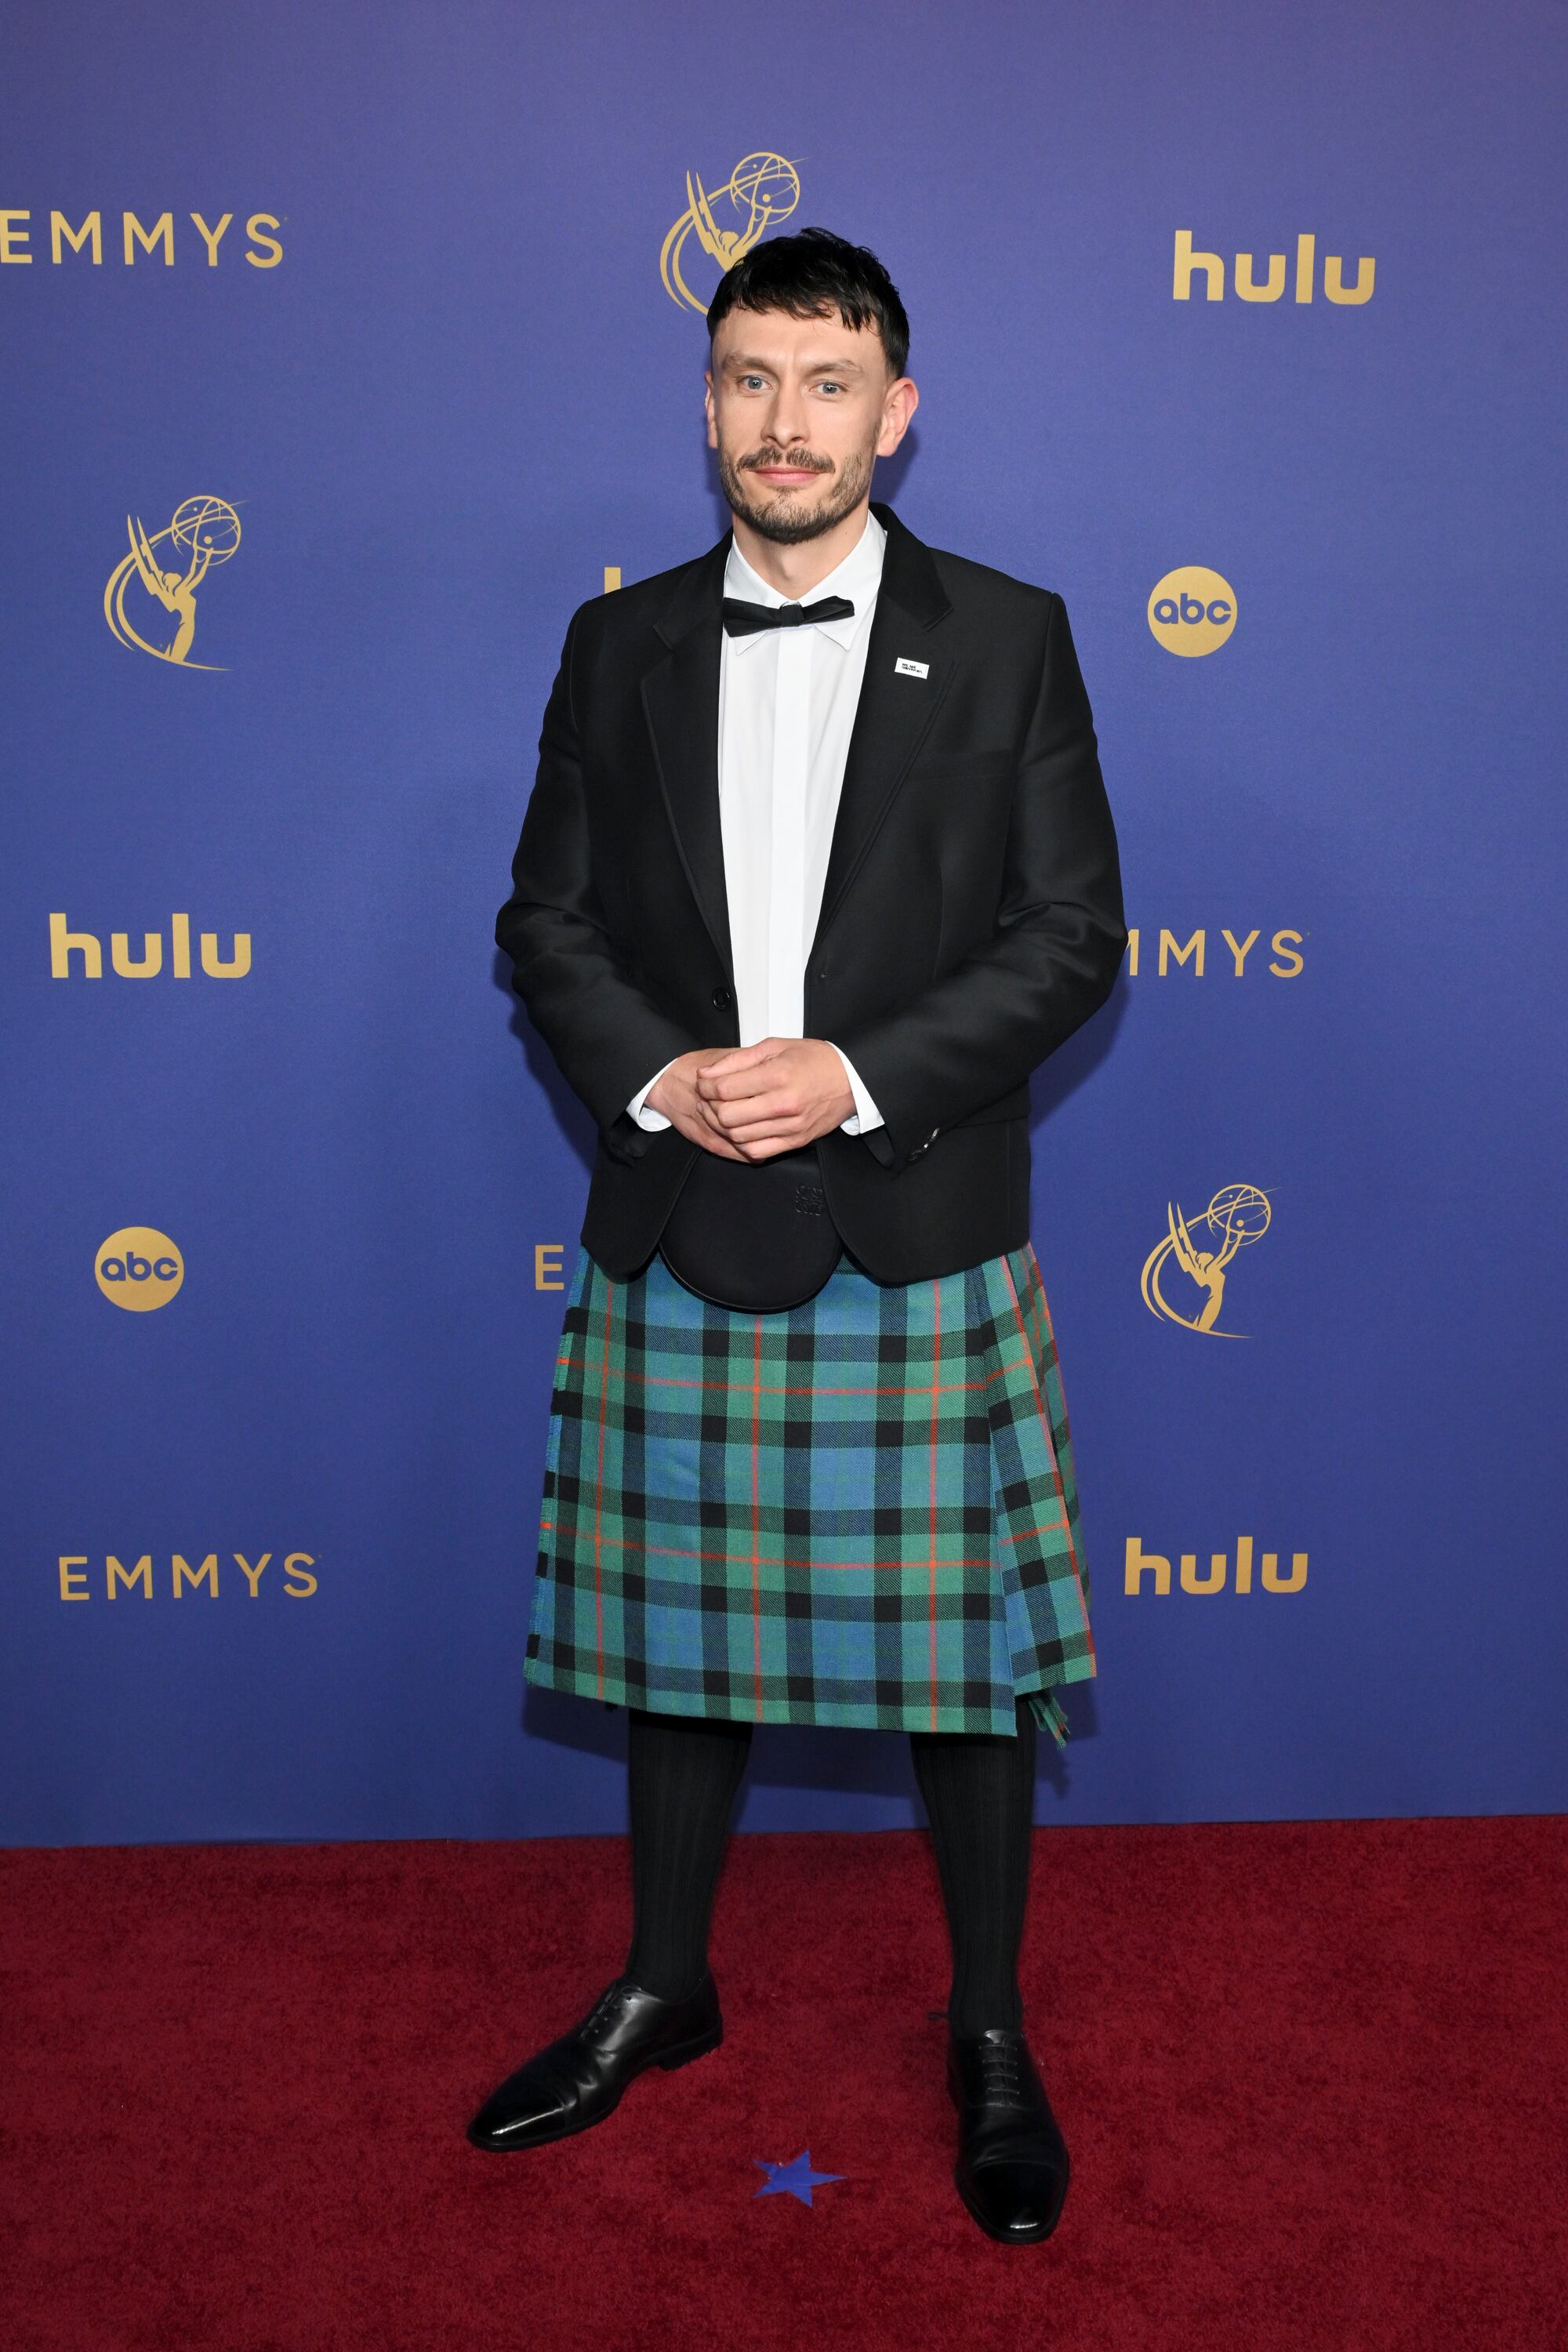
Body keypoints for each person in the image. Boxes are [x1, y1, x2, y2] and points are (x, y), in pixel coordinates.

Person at [476, 228, 1125, 2246]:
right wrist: (662, 1078)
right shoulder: (621, 646)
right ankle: (666, 1987)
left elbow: (1069, 938)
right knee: (679, 1643)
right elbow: (545, 925)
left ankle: (991, 2029)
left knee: (958, 1666)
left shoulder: (1011, 634)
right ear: (707, 403)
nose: (785, 421)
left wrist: (846, 1073)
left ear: (894, 414)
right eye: (749, 378)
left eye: (826, 383)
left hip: (904, 1207)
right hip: (683, 1202)